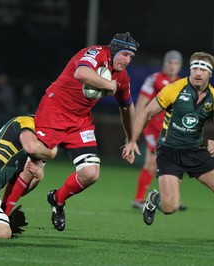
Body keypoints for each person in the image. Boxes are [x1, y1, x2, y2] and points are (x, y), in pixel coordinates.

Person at [123, 52, 214, 247]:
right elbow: (147, 112)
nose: (198, 73)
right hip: (169, 151)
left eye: (203, 69)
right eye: (195, 68)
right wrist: (132, 140)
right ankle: (154, 199)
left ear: (210, 74)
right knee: (170, 207)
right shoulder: (173, 89)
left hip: (196, 152)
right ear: (190, 69)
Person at [34, 32, 139, 231]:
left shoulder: (122, 76)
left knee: (91, 173)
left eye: (131, 57)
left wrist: (131, 139)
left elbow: (127, 107)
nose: (127, 60)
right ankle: (3, 213)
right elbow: (81, 73)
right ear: (115, 50)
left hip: (80, 121)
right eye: (125, 55)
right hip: (55, 111)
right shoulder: (96, 53)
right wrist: (108, 84)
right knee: (33, 168)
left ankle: (57, 199)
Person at [132, 50, 186, 210]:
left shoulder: (182, 83)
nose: (172, 66)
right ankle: (139, 198)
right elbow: (142, 102)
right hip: (153, 128)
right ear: (165, 63)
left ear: (180, 66)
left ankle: (170, 199)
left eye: (176, 63)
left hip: (172, 130)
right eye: (170, 62)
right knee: (152, 161)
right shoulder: (154, 79)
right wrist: (137, 124)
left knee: (174, 163)